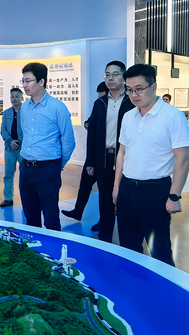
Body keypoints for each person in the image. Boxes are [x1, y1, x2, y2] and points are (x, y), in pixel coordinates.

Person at [113, 64, 189, 266]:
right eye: (129, 90)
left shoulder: (173, 116)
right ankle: (132, 282)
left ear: (154, 86)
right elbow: (122, 152)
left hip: (155, 192)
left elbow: (183, 158)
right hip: (127, 189)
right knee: (128, 247)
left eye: (139, 89)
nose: (134, 95)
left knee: (159, 251)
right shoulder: (128, 116)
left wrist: (174, 196)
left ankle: (167, 286)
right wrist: (117, 187)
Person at [78, 62, 134, 243]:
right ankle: (105, 239)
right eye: (107, 74)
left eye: (115, 74)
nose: (110, 78)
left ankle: (128, 243)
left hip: (127, 160)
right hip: (103, 159)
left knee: (125, 201)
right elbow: (92, 134)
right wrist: (90, 161)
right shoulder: (100, 103)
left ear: (124, 77)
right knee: (105, 200)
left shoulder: (132, 102)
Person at [19, 62, 75, 231]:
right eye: (23, 81)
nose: (24, 85)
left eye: (28, 81)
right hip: (26, 168)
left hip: (48, 168)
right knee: (30, 217)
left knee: (51, 219)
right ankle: (33, 247)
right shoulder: (24, 107)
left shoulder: (58, 108)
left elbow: (68, 141)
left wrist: (58, 165)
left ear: (41, 81)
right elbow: (24, 134)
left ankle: (53, 248)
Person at [61, 82, 108, 226]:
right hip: (94, 155)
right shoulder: (99, 104)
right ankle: (78, 211)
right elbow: (91, 123)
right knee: (84, 185)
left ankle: (103, 221)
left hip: (107, 158)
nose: (100, 99)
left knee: (105, 193)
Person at [0, 87, 24, 207]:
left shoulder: (26, 112)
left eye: (16, 96)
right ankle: (8, 198)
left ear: (21, 98)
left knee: (25, 175)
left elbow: (28, 130)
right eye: (12, 96)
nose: (14, 99)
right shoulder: (6, 113)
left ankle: (27, 199)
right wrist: (10, 141)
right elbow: (3, 130)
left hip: (23, 149)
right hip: (9, 148)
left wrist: (18, 142)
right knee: (8, 174)